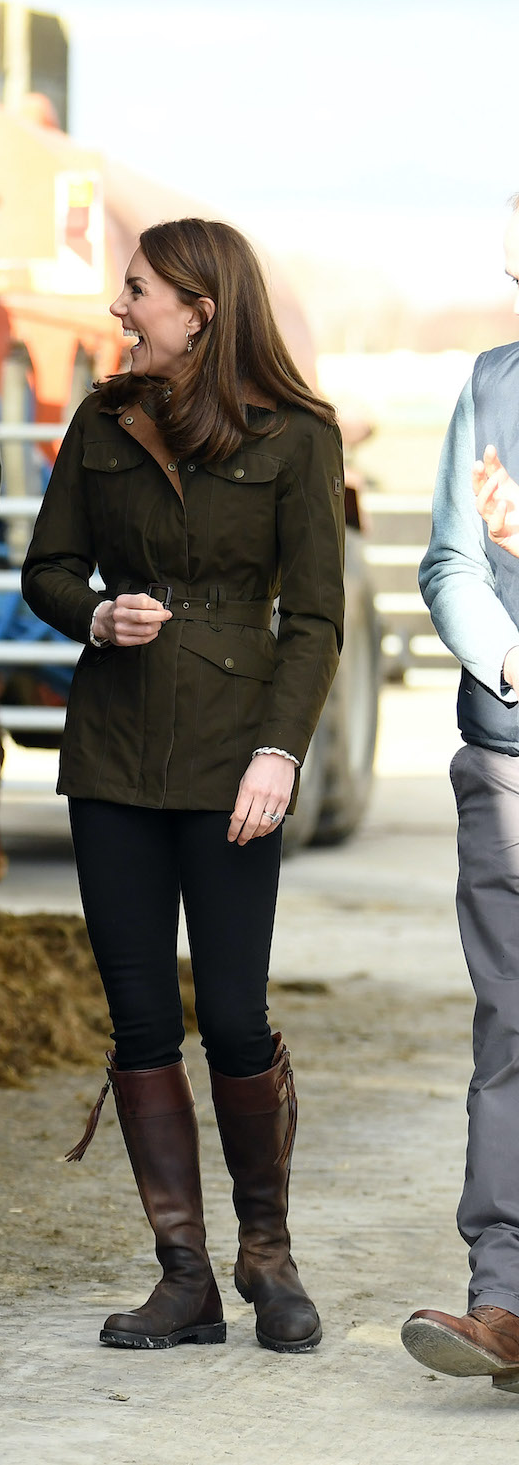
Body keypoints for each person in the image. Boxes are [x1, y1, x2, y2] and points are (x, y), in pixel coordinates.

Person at [22, 219, 345, 1353]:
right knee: (138, 1020)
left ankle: (268, 1256)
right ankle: (184, 1277)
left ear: (199, 310)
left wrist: (279, 750)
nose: (120, 308)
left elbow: (312, 619)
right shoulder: (102, 420)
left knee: (235, 1015)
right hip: (109, 753)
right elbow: (46, 569)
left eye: (137, 291)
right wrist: (94, 612)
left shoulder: (296, 436)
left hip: (229, 759)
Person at [402, 200, 519, 1394]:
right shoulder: (489, 390)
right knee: (512, 1025)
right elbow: (450, 557)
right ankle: (505, 1303)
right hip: (510, 755)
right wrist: (502, 655)